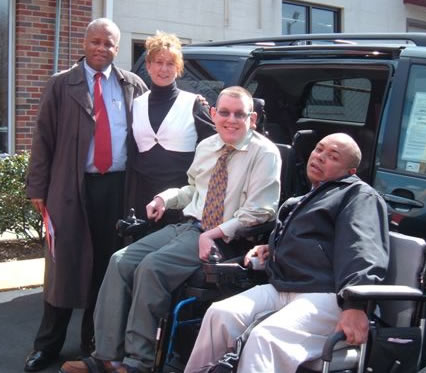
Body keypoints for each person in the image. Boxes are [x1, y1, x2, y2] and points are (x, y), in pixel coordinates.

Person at [60, 86, 282, 373]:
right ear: (213, 114)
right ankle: (105, 356)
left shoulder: (264, 153)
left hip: (227, 238)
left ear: (251, 118)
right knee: (119, 261)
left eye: (240, 114)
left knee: (152, 268)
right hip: (189, 227)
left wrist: (213, 234)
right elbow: (193, 190)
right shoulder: (207, 147)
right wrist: (165, 198)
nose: (231, 119)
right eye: (224, 112)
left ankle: (138, 362)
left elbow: (261, 211)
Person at [184, 133, 390, 373]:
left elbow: (362, 250)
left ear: (350, 172)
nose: (321, 157)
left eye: (333, 156)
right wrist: (273, 249)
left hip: (328, 294)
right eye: (319, 149)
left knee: (265, 337)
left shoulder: (358, 196)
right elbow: (315, 244)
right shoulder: (303, 199)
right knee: (220, 314)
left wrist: (355, 304)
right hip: (284, 286)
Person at [24, 18, 148, 372]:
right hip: (69, 189)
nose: (100, 48)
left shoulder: (132, 85)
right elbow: (43, 139)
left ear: (117, 47)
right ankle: (46, 346)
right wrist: (38, 187)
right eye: (95, 41)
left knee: (105, 269)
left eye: (108, 44)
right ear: (84, 42)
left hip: (119, 190)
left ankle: (93, 344)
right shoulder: (61, 85)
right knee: (63, 268)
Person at [128, 31, 215, 225]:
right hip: (143, 196)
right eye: (159, 62)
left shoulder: (193, 103)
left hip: (181, 199)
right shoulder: (136, 104)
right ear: (148, 66)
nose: (164, 69)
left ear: (178, 68)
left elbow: (214, 148)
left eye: (170, 64)